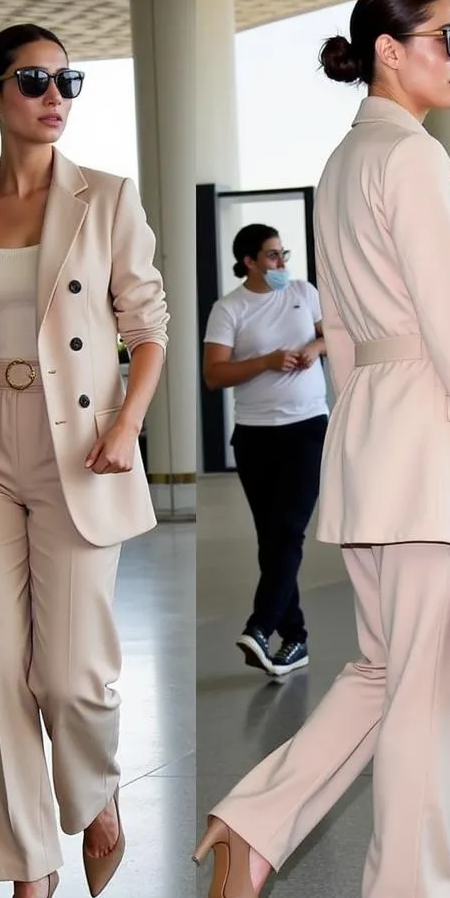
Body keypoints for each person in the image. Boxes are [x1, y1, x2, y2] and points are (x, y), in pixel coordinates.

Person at [192, 0, 450, 898]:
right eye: (448, 37)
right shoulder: (412, 161)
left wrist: (363, 442)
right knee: (427, 698)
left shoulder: (345, 161)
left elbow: (343, 336)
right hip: (432, 445)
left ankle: (250, 831)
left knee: (386, 674)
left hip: (379, 442)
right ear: (390, 49)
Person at [0, 24, 168, 898]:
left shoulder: (108, 200)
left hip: (80, 450)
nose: (55, 95)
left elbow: (149, 324)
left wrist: (127, 424)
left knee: (65, 674)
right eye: (33, 80)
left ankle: (92, 793)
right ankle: (29, 876)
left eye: (69, 81)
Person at [203, 223, 328, 676]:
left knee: (288, 530)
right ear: (249, 262)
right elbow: (214, 374)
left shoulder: (303, 291)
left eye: (283, 253)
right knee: (272, 539)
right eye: (272, 256)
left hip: (308, 428)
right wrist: (267, 362)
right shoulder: (228, 309)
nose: (282, 263)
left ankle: (261, 627)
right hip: (256, 437)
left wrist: (315, 346)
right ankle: (294, 639)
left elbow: (331, 334)